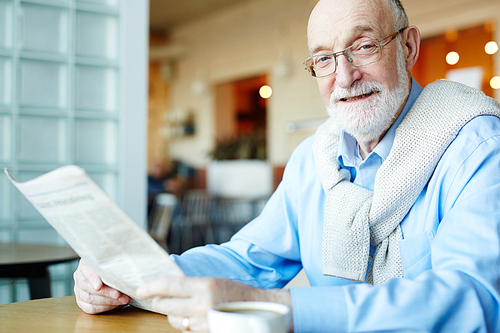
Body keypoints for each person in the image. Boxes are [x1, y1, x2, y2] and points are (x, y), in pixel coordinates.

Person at [73, 0, 500, 332]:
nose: (344, 76)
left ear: (408, 48)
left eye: (364, 47)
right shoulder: (313, 161)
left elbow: (475, 300)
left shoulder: (477, 146)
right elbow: (248, 260)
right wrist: (134, 276)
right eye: (324, 59)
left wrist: (281, 309)